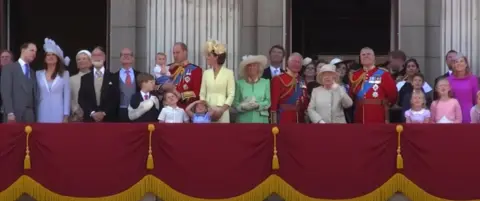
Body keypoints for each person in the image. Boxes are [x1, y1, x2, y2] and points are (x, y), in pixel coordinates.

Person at [349, 47, 397, 123]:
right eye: (363, 55)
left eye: (369, 54)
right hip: (359, 115)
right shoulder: (355, 75)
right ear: (360, 59)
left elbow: (392, 95)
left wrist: (385, 105)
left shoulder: (384, 74)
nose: (366, 56)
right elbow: (351, 95)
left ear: (374, 58)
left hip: (377, 114)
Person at [78, 47, 119, 122]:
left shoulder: (113, 77)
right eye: (94, 55)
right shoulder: (85, 78)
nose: (97, 58)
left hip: (108, 120)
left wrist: (104, 113)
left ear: (104, 58)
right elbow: (81, 99)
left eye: (99, 55)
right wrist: (92, 113)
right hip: (90, 120)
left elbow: (115, 99)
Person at [1, 43, 38, 123]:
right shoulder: (9, 68)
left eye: (35, 51)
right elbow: (6, 92)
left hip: (30, 116)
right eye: (32, 50)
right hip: (14, 115)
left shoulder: (32, 72)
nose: (34, 54)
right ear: (23, 50)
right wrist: (9, 112)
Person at [199, 40, 235, 123]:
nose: (206, 57)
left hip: (223, 110)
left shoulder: (229, 73)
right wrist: (207, 109)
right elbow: (202, 93)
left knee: (223, 134)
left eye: (209, 55)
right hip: (208, 111)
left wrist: (221, 110)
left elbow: (231, 94)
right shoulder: (206, 73)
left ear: (216, 57)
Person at [36, 38, 71, 123]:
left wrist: (66, 115)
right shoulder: (38, 74)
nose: (50, 57)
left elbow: (67, 95)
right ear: (45, 58)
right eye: (48, 55)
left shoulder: (64, 74)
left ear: (57, 58)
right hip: (42, 110)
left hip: (58, 112)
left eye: (53, 55)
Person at [270, 52, 309, 124]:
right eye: (294, 61)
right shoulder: (278, 79)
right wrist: (273, 123)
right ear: (288, 62)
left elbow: (305, 102)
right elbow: (273, 104)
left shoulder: (302, 81)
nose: (297, 64)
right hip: (284, 119)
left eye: (299, 62)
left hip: (300, 120)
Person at [233, 55, 271, 123]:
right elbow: (235, 103)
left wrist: (258, 105)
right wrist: (242, 106)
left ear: (258, 68)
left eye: (254, 65)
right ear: (245, 69)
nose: (252, 68)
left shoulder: (265, 82)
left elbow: (268, 101)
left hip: (261, 120)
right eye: (249, 66)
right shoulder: (239, 83)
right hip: (243, 120)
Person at [164, 42, 203, 108]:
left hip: (184, 108)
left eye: (178, 52)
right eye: (174, 53)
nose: (175, 55)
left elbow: (197, 92)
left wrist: (181, 95)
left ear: (185, 52)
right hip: (168, 108)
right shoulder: (167, 69)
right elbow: (157, 84)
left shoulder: (195, 70)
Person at [447, 54, 478, 123]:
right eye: (456, 62)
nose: (459, 63)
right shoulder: (448, 80)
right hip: (452, 113)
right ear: (454, 65)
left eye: (461, 61)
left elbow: (476, 98)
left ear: (466, 64)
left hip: (469, 113)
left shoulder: (473, 79)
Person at [114, 48, 141, 122]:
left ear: (133, 58)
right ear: (120, 59)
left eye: (129, 54)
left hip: (137, 111)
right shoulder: (113, 77)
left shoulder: (140, 75)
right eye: (123, 54)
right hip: (119, 112)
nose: (126, 56)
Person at [69, 50, 92, 122]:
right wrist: (77, 111)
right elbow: (70, 98)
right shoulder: (71, 79)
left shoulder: (96, 78)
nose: (81, 61)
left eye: (84, 59)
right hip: (76, 117)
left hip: (93, 117)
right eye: (78, 59)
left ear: (90, 61)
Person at [0, 50, 14, 122]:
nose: (4, 58)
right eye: (2, 57)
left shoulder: (16, 73)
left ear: (11, 60)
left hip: (10, 111)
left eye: (7, 57)